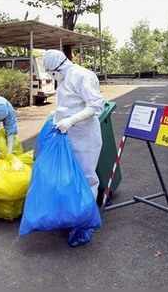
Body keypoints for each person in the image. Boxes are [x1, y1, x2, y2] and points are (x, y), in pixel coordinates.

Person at [43, 50, 104, 247]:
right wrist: (57, 117)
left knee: (86, 178)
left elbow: (96, 106)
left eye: (52, 73)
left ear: (59, 67)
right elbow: (68, 104)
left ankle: (84, 224)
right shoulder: (64, 77)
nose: (52, 77)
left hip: (85, 137)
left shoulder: (81, 75)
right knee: (70, 177)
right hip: (69, 136)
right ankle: (73, 214)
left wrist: (71, 120)